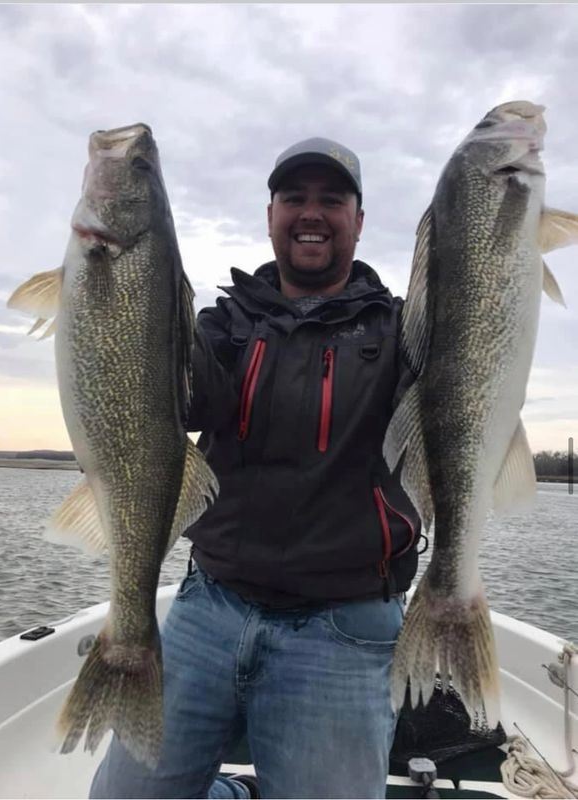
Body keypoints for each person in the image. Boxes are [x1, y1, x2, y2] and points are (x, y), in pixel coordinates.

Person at [90, 137, 421, 799]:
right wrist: (113, 291)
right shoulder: (224, 324)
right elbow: (176, 400)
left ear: (359, 220)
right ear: (270, 215)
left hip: (345, 624)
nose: (311, 212)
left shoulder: (401, 333)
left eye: (332, 200)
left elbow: (464, 396)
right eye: (294, 197)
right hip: (210, 604)